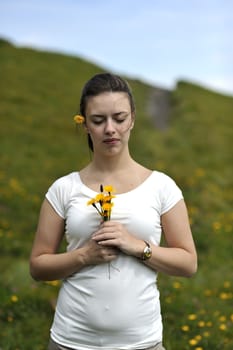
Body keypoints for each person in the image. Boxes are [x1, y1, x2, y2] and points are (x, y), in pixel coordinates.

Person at [30, 73, 197, 350]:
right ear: (84, 124)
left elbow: (188, 263)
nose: (110, 128)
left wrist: (137, 247)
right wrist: (84, 255)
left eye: (119, 118)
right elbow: (37, 266)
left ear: (132, 118)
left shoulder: (162, 187)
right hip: (70, 342)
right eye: (98, 120)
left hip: (142, 343)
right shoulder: (63, 189)